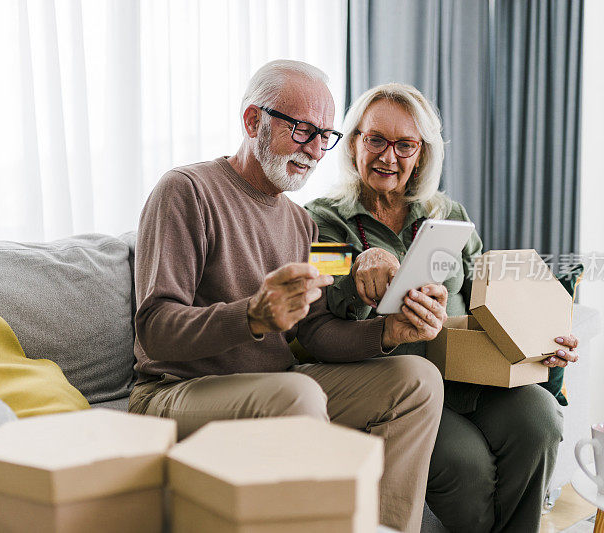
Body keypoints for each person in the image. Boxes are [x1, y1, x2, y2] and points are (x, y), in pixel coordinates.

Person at [129, 60, 445, 532]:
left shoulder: (304, 224)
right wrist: (251, 316)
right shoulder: (186, 191)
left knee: (417, 379)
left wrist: (387, 332)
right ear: (253, 121)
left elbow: (316, 334)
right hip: (173, 392)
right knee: (295, 393)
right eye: (302, 130)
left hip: (275, 386)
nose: (316, 149)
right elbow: (154, 329)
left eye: (325, 135)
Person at [305, 82, 578, 533]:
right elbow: (325, 293)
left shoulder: (449, 214)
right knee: (466, 463)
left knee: (540, 418)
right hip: (398, 389)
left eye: (404, 144)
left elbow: (486, 304)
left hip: (472, 377)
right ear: (354, 142)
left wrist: (542, 340)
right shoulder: (321, 220)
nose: (388, 157)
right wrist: (360, 276)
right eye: (375, 139)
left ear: (422, 153)